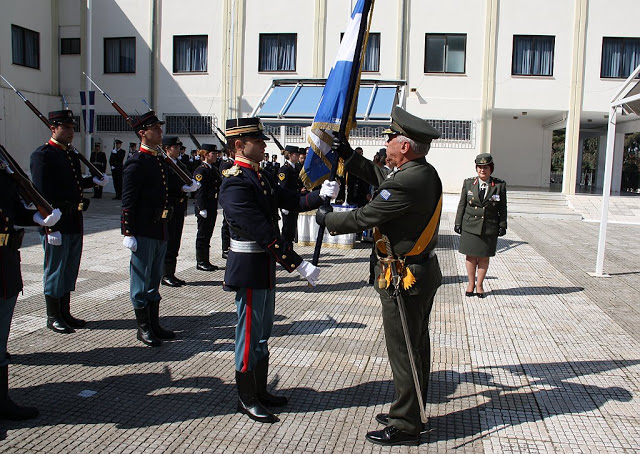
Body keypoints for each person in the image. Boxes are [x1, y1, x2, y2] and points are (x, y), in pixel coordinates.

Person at [318, 106, 442, 446]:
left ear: (404, 146)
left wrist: (326, 218)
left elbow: (366, 216)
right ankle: (410, 408)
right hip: (419, 272)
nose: (385, 143)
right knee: (415, 345)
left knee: (404, 348)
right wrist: (351, 159)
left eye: (389, 139)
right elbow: (383, 179)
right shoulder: (420, 172)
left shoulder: (409, 180)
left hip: (405, 278)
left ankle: (406, 423)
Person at [219, 117, 339, 424]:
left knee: (262, 334)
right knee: (247, 336)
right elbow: (261, 231)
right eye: (256, 140)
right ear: (239, 145)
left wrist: (320, 195)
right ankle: (246, 399)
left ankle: (260, 391)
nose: (263, 144)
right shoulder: (235, 182)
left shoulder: (261, 176)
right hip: (248, 269)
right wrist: (297, 263)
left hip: (264, 268)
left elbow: (292, 200)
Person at [121, 111, 198, 347]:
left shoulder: (158, 160)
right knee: (141, 281)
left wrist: (185, 187)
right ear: (142, 133)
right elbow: (128, 201)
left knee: (154, 278)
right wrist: (128, 232)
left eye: (159, 127)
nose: (160, 131)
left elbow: (167, 190)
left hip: (160, 228)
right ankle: (142, 327)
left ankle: (153, 323)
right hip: (144, 230)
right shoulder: (137, 162)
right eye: (155, 128)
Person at [30, 110, 109, 334]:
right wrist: (50, 227)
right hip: (57, 222)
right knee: (55, 269)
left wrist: (92, 181)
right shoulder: (43, 155)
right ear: (53, 128)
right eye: (66, 128)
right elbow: (41, 194)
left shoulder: (70, 154)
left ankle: (65, 311)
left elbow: (73, 184)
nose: (71, 132)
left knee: (69, 269)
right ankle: (53, 315)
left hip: (74, 219)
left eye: (73, 128)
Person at [0, 165, 61, 421]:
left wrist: (36, 218)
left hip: (5, 265)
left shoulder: (4, 174)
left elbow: (11, 211)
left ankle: (1, 400)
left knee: (1, 336)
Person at [454, 153, 507, 298]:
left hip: (488, 226)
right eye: (480, 167)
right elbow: (462, 204)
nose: (482, 170)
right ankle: (471, 283)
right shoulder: (469, 183)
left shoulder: (499, 185)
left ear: (491, 169)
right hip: (470, 225)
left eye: (486, 167)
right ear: (476, 168)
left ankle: (480, 285)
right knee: (470, 257)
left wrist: (503, 224)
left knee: (484, 257)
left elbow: (502, 207)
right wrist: (458, 222)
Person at [161, 136, 191, 287]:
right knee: (169, 239)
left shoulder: (179, 163)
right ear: (167, 148)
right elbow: (165, 184)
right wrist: (180, 188)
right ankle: (165, 274)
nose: (179, 149)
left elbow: (188, 177)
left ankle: (171, 272)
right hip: (169, 208)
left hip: (179, 207)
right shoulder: (163, 164)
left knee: (175, 241)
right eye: (176, 146)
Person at [193, 143, 222, 272]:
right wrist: (201, 208)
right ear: (205, 155)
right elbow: (199, 191)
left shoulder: (213, 169)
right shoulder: (201, 170)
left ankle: (206, 260)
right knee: (202, 234)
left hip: (212, 204)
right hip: (204, 206)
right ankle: (200, 261)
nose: (216, 155)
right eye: (213, 153)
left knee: (208, 234)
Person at [277, 145, 305, 247]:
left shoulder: (296, 168)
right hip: (287, 203)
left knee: (292, 228)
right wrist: (283, 205)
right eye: (296, 154)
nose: (298, 156)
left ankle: (290, 249)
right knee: (287, 228)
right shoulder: (284, 170)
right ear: (289, 155)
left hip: (294, 201)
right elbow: (283, 188)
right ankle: (285, 250)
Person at [219, 149, 235, 260]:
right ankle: (225, 248)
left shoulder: (234, 164)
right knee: (226, 224)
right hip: (229, 199)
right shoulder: (227, 165)